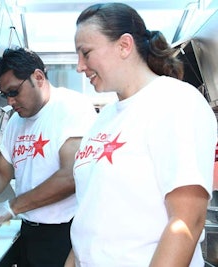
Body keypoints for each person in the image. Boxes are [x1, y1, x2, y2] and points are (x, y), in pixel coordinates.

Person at [65, 3, 218, 267]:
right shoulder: (103, 119)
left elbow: (186, 221)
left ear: (124, 45)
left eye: (86, 53)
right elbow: (88, 217)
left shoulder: (175, 101)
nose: (79, 66)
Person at [0, 47, 97, 266]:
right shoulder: (16, 122)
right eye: (5, 95)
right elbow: (1, 170)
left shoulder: (71, 108)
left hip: (63, 234)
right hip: (28, 229)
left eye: (14, 92)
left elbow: (70, 176)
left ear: (38, 77)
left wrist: (11, 207)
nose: (10, 102)